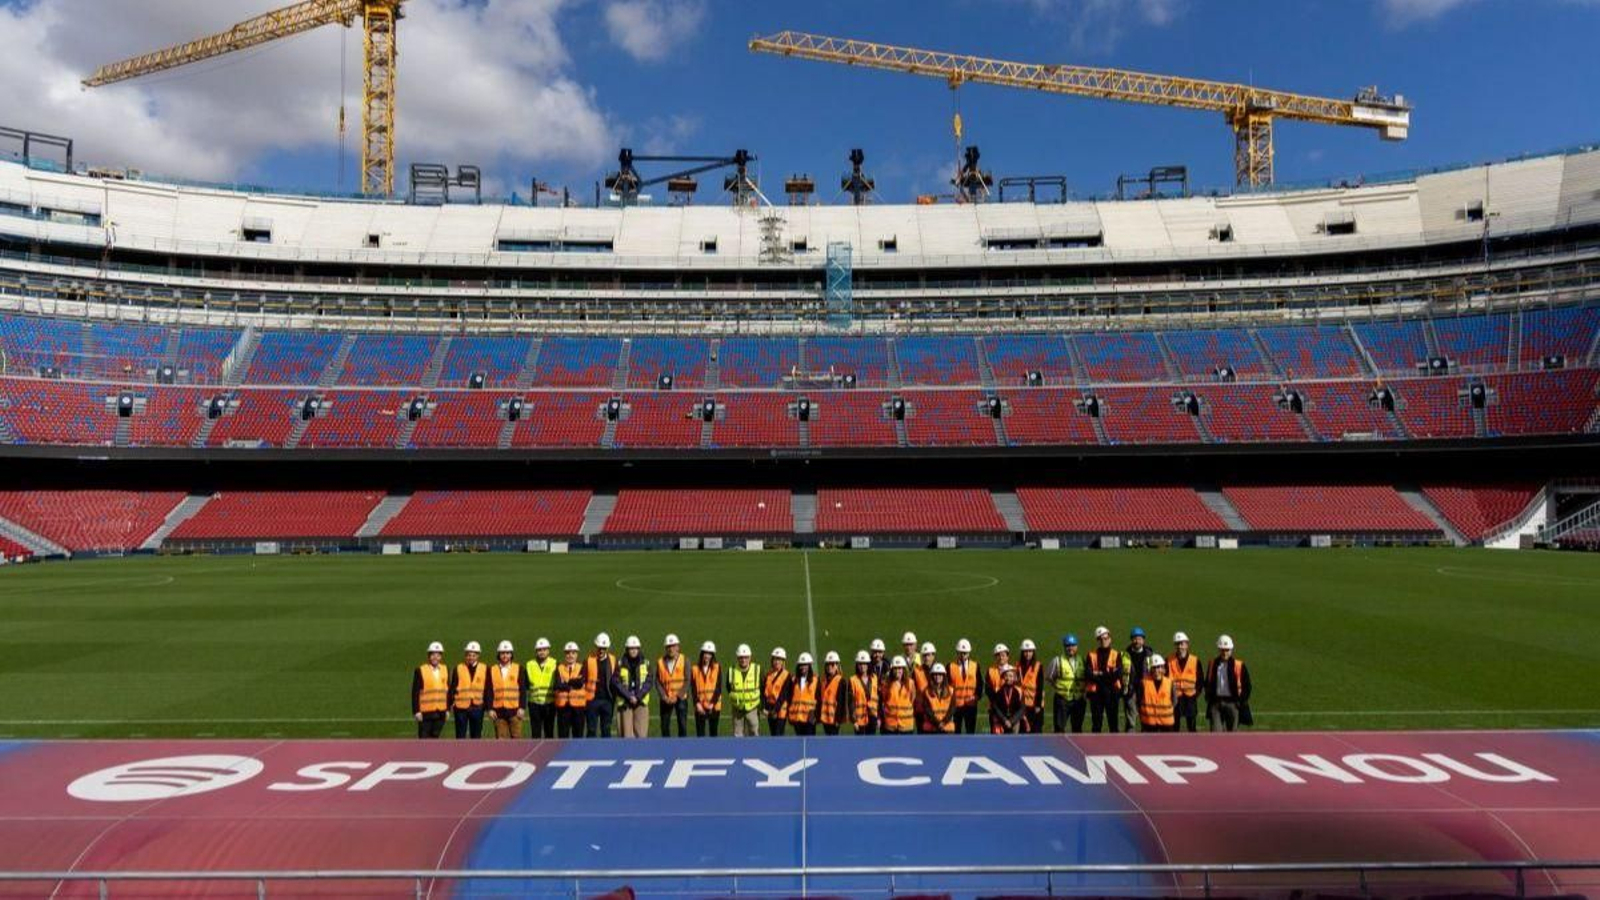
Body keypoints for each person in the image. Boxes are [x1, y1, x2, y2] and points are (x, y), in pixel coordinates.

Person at [1205, 635, 1252, 732]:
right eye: (1222, 650)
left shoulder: (1239, 665)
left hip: (1233, 703)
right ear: (1219, 649)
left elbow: (1247, 686)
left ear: (1231, 650)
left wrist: (1240, 701)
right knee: (1215, 734)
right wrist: (1209, 698)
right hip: (1216, 703)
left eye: (1227, 650)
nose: (1224, 652)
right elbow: (1207, 682)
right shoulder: (1212, 663)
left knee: (1232, 735)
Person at [613, 635, 654, 738]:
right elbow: (616, 682)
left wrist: (638, 696)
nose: (633, 651)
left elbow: (649, 682)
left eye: (635, 648)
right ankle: (627, 754)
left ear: (639, 649)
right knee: (626, 735)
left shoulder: (646, 663)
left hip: (641, 703)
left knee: (641, 734)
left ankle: (640, 754)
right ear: (627, 649)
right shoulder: (620, 664)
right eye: (631, 648)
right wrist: (628, 696)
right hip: (625, 703)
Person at [1046, 634, 1087, 734]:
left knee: (1077, 728)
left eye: (1073, 645)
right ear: (1064, 647)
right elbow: (1049, 677)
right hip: (1062, 700)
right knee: (1059, 728)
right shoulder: (1057, 660)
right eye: (1068, 646)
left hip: (1078, 700)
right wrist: (1058, 688)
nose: (1070, 648)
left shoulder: (1082, 660)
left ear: (1076, 646)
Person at [1086, 626, 1124, 734]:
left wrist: (1099, 674)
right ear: (1098, 640)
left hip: (1112, 693)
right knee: (1096, 725)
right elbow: (1088, 674)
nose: (1104, 641)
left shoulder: (1116, 655)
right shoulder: (1091, 655)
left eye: (1106, 638)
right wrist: (1107, 674)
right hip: (1096, 694)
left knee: (1113, 724)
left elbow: (1118, 674)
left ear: (1110, 639)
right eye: (1101, 639)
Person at [487, 640, 527, 739]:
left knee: (517, 739)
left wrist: (522, 707)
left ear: (511, 654)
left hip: (515, 711)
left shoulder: (519, 668)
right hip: (498, 712)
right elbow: (489, 691)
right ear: (499, 654)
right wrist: (490, 709)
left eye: (508, 653)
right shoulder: (492, 669)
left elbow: (522, 690)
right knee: (501, 741)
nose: (505, 656)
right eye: (502, 653)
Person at [450, 641, 487, 740]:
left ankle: (475, 755)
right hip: (461, 708)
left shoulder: (485, 668)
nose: (471, 657)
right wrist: (451, 702)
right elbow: (453, 687)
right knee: (460, 736)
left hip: (477, 707)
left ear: (478, 655)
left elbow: (487, 688)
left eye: (473, 655)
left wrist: (486, 705)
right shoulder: (458, 668)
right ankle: (460, 755)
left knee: (476, 736)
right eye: (468, 655)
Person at [412, 641, 449, 739]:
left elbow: (447, 691)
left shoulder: (445, 669)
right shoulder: (420, 670)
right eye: (433, 655)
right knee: (424, 739)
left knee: (435, 738)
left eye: (438, 655)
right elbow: (415, 692)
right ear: (429, 656)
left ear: (441, 657)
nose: (435, 657)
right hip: (425, 712)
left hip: (440, 712)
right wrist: (416, 711)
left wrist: (448, 709)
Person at [1122, 627, 1155, 733]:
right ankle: (1129, 740)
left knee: (1146, 716)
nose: (1137, 641)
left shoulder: (1150, 655)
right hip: (1130, 690)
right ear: (1131, 640)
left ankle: (1145, 741)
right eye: (1135, 638)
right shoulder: (1124, 655)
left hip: (1146, 690)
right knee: (1131, 719)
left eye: (1139, 638)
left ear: (1143, 640)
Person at [585, 632, 618, 738]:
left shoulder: (613, 660)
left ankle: (606, 754)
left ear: (607, 648)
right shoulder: (589, 660)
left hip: (608, 700)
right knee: (591, 730)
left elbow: (617, 679)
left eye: (604, 648)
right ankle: (590, 753)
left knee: (606, 729)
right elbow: (583, 678)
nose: (601, 650)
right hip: (592, 700)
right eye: (599, 647)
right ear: (596, 646)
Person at [727, 644, 763, 737]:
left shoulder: (757, 669)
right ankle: (739, 751)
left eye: (746, 657)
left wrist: (762, 707)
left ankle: (755, 751)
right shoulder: (732, 670)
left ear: (750, 657)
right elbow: (728, 687)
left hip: (752, 709)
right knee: (737, 735)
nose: (743, 660)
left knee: (754, 732)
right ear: (737, 658)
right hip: (737, 709)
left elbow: (762, 688)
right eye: (741, 657)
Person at [656, 634, 689, 738]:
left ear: (678, 647)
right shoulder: (660, 662)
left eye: (673, 646)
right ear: (666, 648)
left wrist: (677, 696)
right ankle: (667, 751)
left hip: (680, 699)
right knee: (665, 727)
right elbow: (657, 681)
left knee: (682, 726)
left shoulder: (684, 660)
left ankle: (682, 751)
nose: (671, 649)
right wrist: (664, 696)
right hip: (666, 699)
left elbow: (687, 680)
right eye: (669, 647)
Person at [554, 641, 588, 738]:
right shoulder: (559, 668)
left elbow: (580, 683)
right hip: (563, 708)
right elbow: (557, 685)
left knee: (578, 736)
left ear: (577, 655)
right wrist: (572, 683)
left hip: (578, 707)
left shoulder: (581, 667)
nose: (570, 655)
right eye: (568, 653)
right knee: (563, 736)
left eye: (573, 653)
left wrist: (566, 683)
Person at [525, 638, 558, 740]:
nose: (542, 652)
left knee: (549, 732)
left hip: (550, 703)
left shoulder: (554, 663)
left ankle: (549, 754)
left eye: (544, 649)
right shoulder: (530, 665)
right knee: (535, 733)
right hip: (534, 704)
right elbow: (526, 684)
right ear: (536, 651)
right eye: (539, 650)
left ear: (548, 650)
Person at [1169, 632, 1201, 733]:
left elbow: (1200, 680)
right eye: (1178, 644)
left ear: (1187, 645)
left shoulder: (1195, 660)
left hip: (1190, 697)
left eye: (1182, 644)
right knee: (1174, 727)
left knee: (1191, 727)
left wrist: (1196, 694)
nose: (1180, 647)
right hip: (1175, 698)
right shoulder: (1169, 660)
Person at [948, 638, 981, 734]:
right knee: (956, 732)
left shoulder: (975, 666)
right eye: (960, 653)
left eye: (965, 653)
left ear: (969, 653)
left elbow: (980, 684)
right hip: (955, 706)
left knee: (970, 731)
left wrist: (977, 696)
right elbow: (947, 686)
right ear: (957, 653)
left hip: (970, 705)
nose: (962, 655)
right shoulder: (950, 666)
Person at [690, 641, 722, 737]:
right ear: (702, 654)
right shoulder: (695, 669)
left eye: (709, 654)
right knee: (700, 734)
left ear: (712, 655)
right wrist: (697, 704)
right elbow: (693, 689)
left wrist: (712, 703)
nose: (707, 656)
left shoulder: (717, 668)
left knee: (713, 733)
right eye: (705, 653)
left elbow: (718, 688)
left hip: (714, 706)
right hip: (700, 707)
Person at [1138, 654, 1176, 733]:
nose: (1156, 670)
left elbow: (1174, 701)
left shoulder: (1170, 683)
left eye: (1158, 667)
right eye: (1154, 668)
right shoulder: (1143, 683)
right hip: (1148, 723)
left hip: (1166, 724)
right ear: (1150, 669)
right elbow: (1138, 701)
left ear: (1163, 668)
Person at [786, 652, 819, 736]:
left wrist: (816, 715)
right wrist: (790, 715)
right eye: (801, 665)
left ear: (809, 666)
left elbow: (819, 699)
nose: (803, 667)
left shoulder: (815, 680)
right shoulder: (794, 680)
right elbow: (789, 698)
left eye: (805, 665)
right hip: (797, 718)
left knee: (810, 744)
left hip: (810, 719)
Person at [880, 656, 916, 735]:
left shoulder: (910, 683)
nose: (897, 671)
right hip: (890, 725)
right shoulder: (886, 684)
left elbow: (912, 699)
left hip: (907, 725)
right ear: (892, 670)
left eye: (900, 668)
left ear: (903, 669)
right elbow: (883, 700)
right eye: (895, 669)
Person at [1016, 639, 1045, 733]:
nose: (1028, 654)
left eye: (1030, 651)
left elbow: (1040, 687)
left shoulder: (1038, 666)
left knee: (1036, 732)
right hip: (1022, 705)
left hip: (1035, 705)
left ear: (1033, 652)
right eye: (1025, 651)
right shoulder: (1017, 666)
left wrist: (1037, 705)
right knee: (1023, 731)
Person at [763, 647, 792, 736]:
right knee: (773, 734)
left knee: (778, 734)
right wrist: (765, 708)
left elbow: (784, 695)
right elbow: (765, 692)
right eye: (775, 659)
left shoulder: (787, 675)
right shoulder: (768, 674)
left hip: (780, 710)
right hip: (770, 709)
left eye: (779, 659)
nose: (776, 662)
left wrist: (775, 711)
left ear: (783, 661)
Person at [989, 665, 1027, 734]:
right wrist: (1004, 720)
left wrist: (1012, 721)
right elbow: (995, 708)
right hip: (1001, 721)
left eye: (1011, 676)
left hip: (1014, 721)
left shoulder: (1019, 691)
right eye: (1006, 676)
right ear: (1003, 677)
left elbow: (1022, 709)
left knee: (1014, 742)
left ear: (1014, 678)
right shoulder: (998, 691)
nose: (1008, 678)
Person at [920, 663, 956, 734]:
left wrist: (944, 722)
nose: (937, 677)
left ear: (944, 676)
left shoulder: (951, 690)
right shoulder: (926, 691)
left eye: (940, 674)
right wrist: (937, 723)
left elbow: (952, 709)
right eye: (935, 674)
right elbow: (927, 710)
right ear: (932, 676)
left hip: (947, 728)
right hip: (931, 729)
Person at [850, 650, 880, 735]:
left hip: (872, 717)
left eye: (865, 664)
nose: (863, 666)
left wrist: (878, 718)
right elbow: (851, 702)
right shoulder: (853, 680)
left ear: (868, 665)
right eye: (860, 664)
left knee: (871, 744)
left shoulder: (874, 678)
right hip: (859, 720)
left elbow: (878, 699)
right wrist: (854, 721)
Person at [911, 641, 938, 730]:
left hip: (936, 710)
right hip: (921, 711)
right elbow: (912, 691)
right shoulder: (916, 671)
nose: (926, 658)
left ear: (933, 655)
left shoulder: (939, 670)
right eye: (924, 655)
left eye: (928, 655)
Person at [818, 651, 846, 736]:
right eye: (828, 664)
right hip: (825, 718)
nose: (830, 667)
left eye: (832, 664)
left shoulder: (841, 681)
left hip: (834, 719)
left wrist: (838, 719)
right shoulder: (823, 680)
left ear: (837, 666)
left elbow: (841, 702)